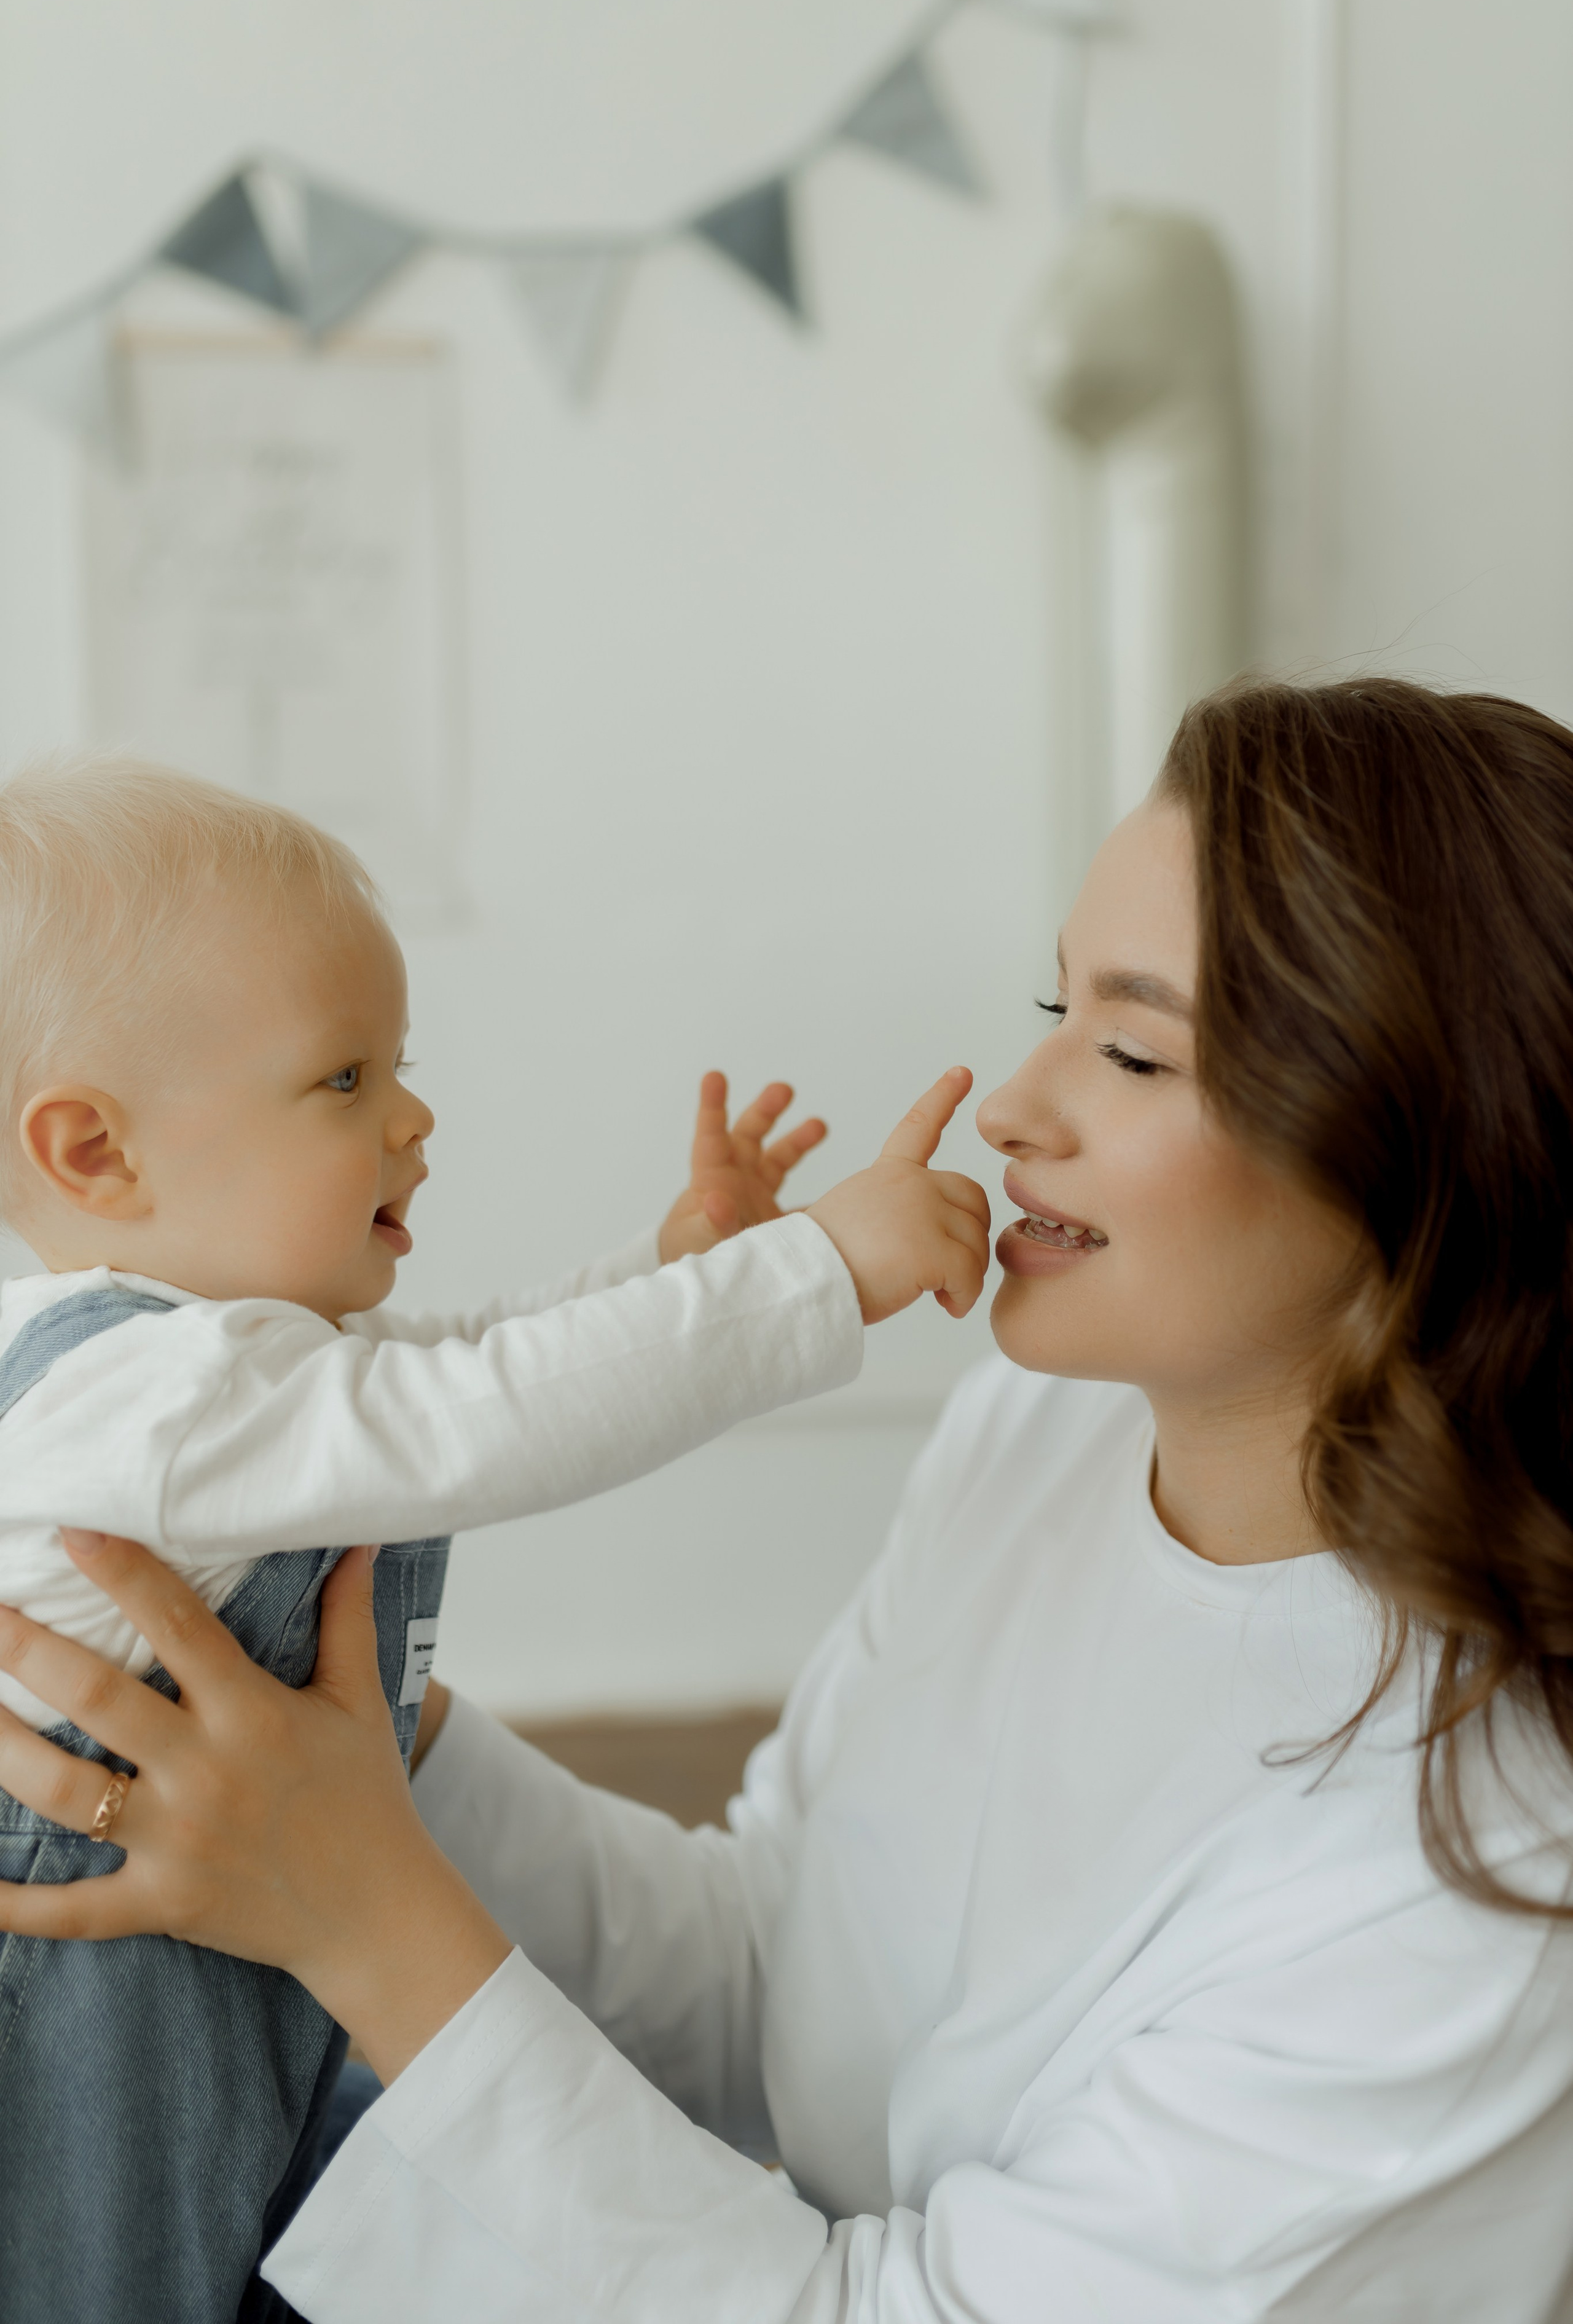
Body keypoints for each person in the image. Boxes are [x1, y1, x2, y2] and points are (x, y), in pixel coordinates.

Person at [5, 676, 1573, 2322]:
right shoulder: (1047, 1434)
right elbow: (782, 1975)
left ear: (1427, 1144)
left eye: (1130, 1049)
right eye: (1055, 1005)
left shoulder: (1480, 1885)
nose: (1013, 1104)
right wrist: (333, 1752)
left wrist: (367, 1919)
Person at [0, 757, 989, 2324]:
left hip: (195, 1971)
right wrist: (812, 1274)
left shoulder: (220, 1370)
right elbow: (482, 1415)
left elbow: (467, 1366)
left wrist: (675, 1270)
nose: (412, 1116)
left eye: (397, 1065)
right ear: (95, 1154)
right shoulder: (154, 1399)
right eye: (343, 1080)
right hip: (71, 2015)